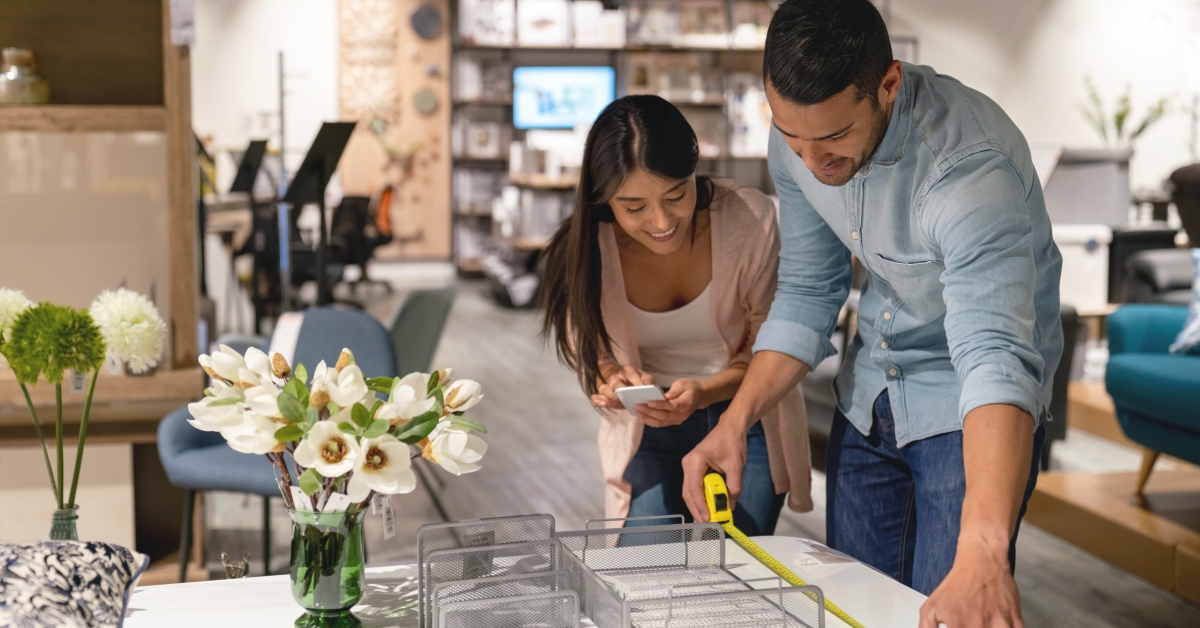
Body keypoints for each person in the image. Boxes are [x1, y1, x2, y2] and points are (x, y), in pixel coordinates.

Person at [680, 2, 1063, 627]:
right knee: (853, 609)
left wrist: (986, 552)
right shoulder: (798, 142)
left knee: (951, 607)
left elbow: (996, 359)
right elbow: (807, 291)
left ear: (889, 83)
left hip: (970, 405)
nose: (811, 163)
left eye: (832, 139)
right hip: (872, 390)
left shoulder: (967, 171)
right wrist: (735, 420)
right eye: (791, 137)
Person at [539, 95, 812, 535]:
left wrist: (706, 392)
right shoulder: (586, 248)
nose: (662, 221)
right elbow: (587, 348)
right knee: (646, 575)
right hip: (646, 429)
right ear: (604, 198)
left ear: (694, 169)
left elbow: (771, 342)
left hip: (746, 418)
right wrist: (610, 380)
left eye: (676, 194)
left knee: (736, 567)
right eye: (634, 207)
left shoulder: (747, 218)